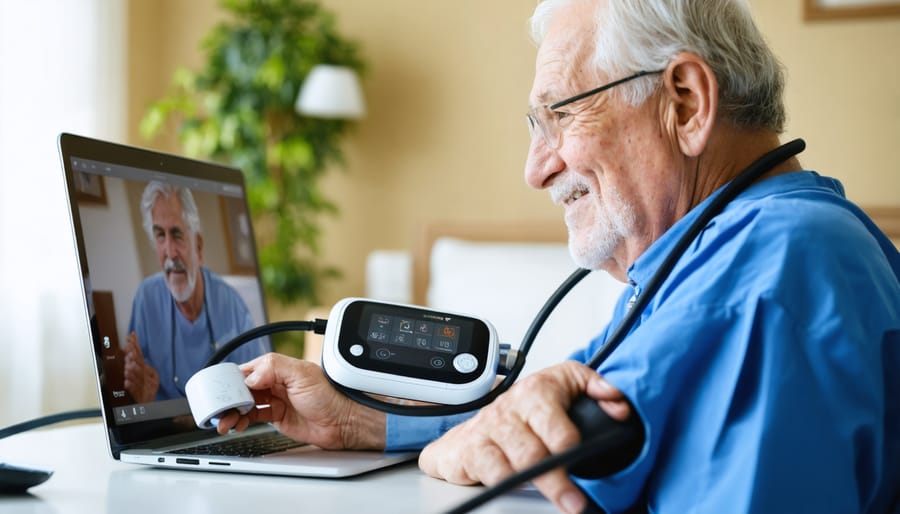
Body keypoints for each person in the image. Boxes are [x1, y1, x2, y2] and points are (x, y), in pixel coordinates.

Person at [215, 0, 900, 512]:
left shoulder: (773, 268)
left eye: (560, 116)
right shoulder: (725, 252)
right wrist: (366, 421)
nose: (536, 168)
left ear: (685, 104)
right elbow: (586, 415)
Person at [124, 181, 271, 403]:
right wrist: (139, 396)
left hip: (224, 425)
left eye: (177, 234)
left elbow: (258, 387)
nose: (170, 253)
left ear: (198, 246)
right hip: (165, 432)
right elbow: (136, 392)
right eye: (160, 236)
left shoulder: (231, 303)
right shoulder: (146, 298)